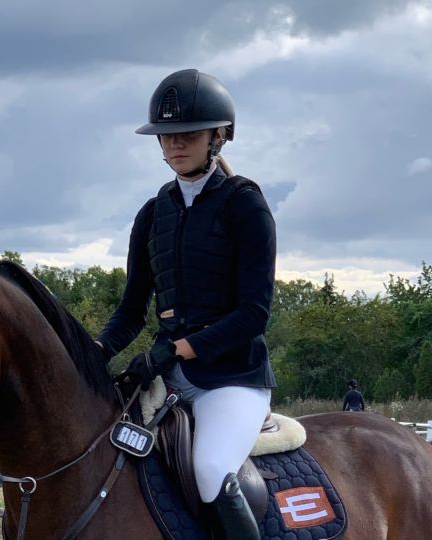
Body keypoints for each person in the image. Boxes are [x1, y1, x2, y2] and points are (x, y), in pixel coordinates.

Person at [96, 68, 276, 540]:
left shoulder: (245, 206)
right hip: (165, 378)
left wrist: (177, 350)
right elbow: (131, 311)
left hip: (231, 379)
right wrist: (93, 352)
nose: (176, 145)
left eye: (189, 134)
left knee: (213, 468)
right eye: (167, 136)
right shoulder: (154, 214)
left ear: (220, 137)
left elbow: (254, 314)